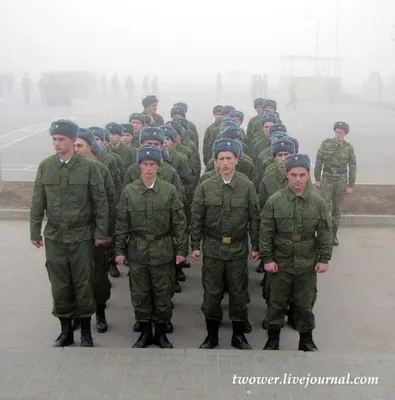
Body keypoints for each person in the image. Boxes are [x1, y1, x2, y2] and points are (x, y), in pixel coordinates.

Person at [30, 119, 109, 347]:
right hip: (55, 236)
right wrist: (35, 231)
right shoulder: (46, 166)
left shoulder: (89, 167)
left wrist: (101, 233)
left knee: (83, 282)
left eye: (61, 140)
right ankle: (65, 332)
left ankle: (86, 332)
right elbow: (38, 200)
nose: (57, 144)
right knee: (59, 284)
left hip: (82, 235)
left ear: (73, 141)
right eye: (54, 140)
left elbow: (100, 202)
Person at [114, 145, 188, 348]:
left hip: (163, 249)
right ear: (139, 166)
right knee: (140, 294)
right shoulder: (130, 191)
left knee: (163, 294)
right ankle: (145, 333)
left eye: (152, 164)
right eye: (145, 164)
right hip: (138, 250)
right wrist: (119, 250)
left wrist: (182, 250)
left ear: (158, 166)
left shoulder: (169, 190)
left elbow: (179, 223)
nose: (148, 168)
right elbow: (122, 222)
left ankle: (162, 333)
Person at [190, 138, 260, 350]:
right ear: (216, 162)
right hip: (213, 248)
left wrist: (256, 246)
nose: (226, 162)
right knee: (212, 293)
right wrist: (194, 245)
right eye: (221, 159)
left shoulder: (246, 186)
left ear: (237, 160)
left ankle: (238, 336)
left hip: (238, 249)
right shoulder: (206, 186)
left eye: (229, 158)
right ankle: (212, 335)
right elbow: (197, 217)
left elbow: (254, 218)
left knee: (238, 292)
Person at [259, 153, 332, 351]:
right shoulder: (275, 201)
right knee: (276, 301)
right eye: (293, 175)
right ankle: (273, 338)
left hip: (306, 262)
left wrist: (324, 258)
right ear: (287, 175)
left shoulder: (318, 202)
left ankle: (306, 339)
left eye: (301, 174)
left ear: (308, 175)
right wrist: (267, 258)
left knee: (305, 303)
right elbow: (265, 232)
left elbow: (325, 232)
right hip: (280, 261)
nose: (297, 179)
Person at [73, 129, 115, 333]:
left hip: (95, 234)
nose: (76, 149)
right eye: (73, 145)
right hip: (72, 236)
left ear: (90, 147)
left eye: (79, 145)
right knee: (74, 278)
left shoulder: (100, 169)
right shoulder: (64, 170)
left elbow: (109, 203)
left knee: (97, 277)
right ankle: (77, 315)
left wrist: (107, 233)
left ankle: (100, 312)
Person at [314, 121, 357, 245]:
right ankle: (324, 235)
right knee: (325, 207)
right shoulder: (326, 143)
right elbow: (318, 162)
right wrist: (317, 179)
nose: (338, 134)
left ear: (345, 133)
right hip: (327, 179)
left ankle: (333, 235)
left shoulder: (349, 147)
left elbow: (353, 166)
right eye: (336, 132)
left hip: (341, 180)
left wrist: (350, 185)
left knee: (336, 209)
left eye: (341, 133)